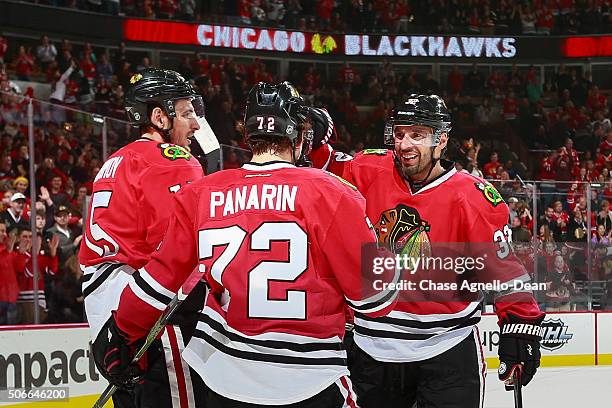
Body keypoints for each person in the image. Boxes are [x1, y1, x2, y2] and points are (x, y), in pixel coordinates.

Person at [94, 81, 398, 407]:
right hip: (309, 379)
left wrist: (121, 331)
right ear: (297, 137)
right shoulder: (332, 192)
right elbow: (374, 301)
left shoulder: (202, 193)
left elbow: (159, 279)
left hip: (223, 381)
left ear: (248, 136)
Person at [309, 94, 545, 407]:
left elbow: (504, 270)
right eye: (400, 133)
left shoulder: (471, 196)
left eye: (417, 135)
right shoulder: (368, 170)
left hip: (447, 351)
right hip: (371, 350)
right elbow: (318, 169)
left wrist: (520, 327)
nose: (404, 144)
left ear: (442, 140)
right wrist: (311, 135)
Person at [78, 68, 207, 408]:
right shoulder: (172, 161)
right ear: (158, 116)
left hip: (106, 307)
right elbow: (177, 254)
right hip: (147, 315)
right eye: (187, 112)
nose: (195, 124)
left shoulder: (116, 159)